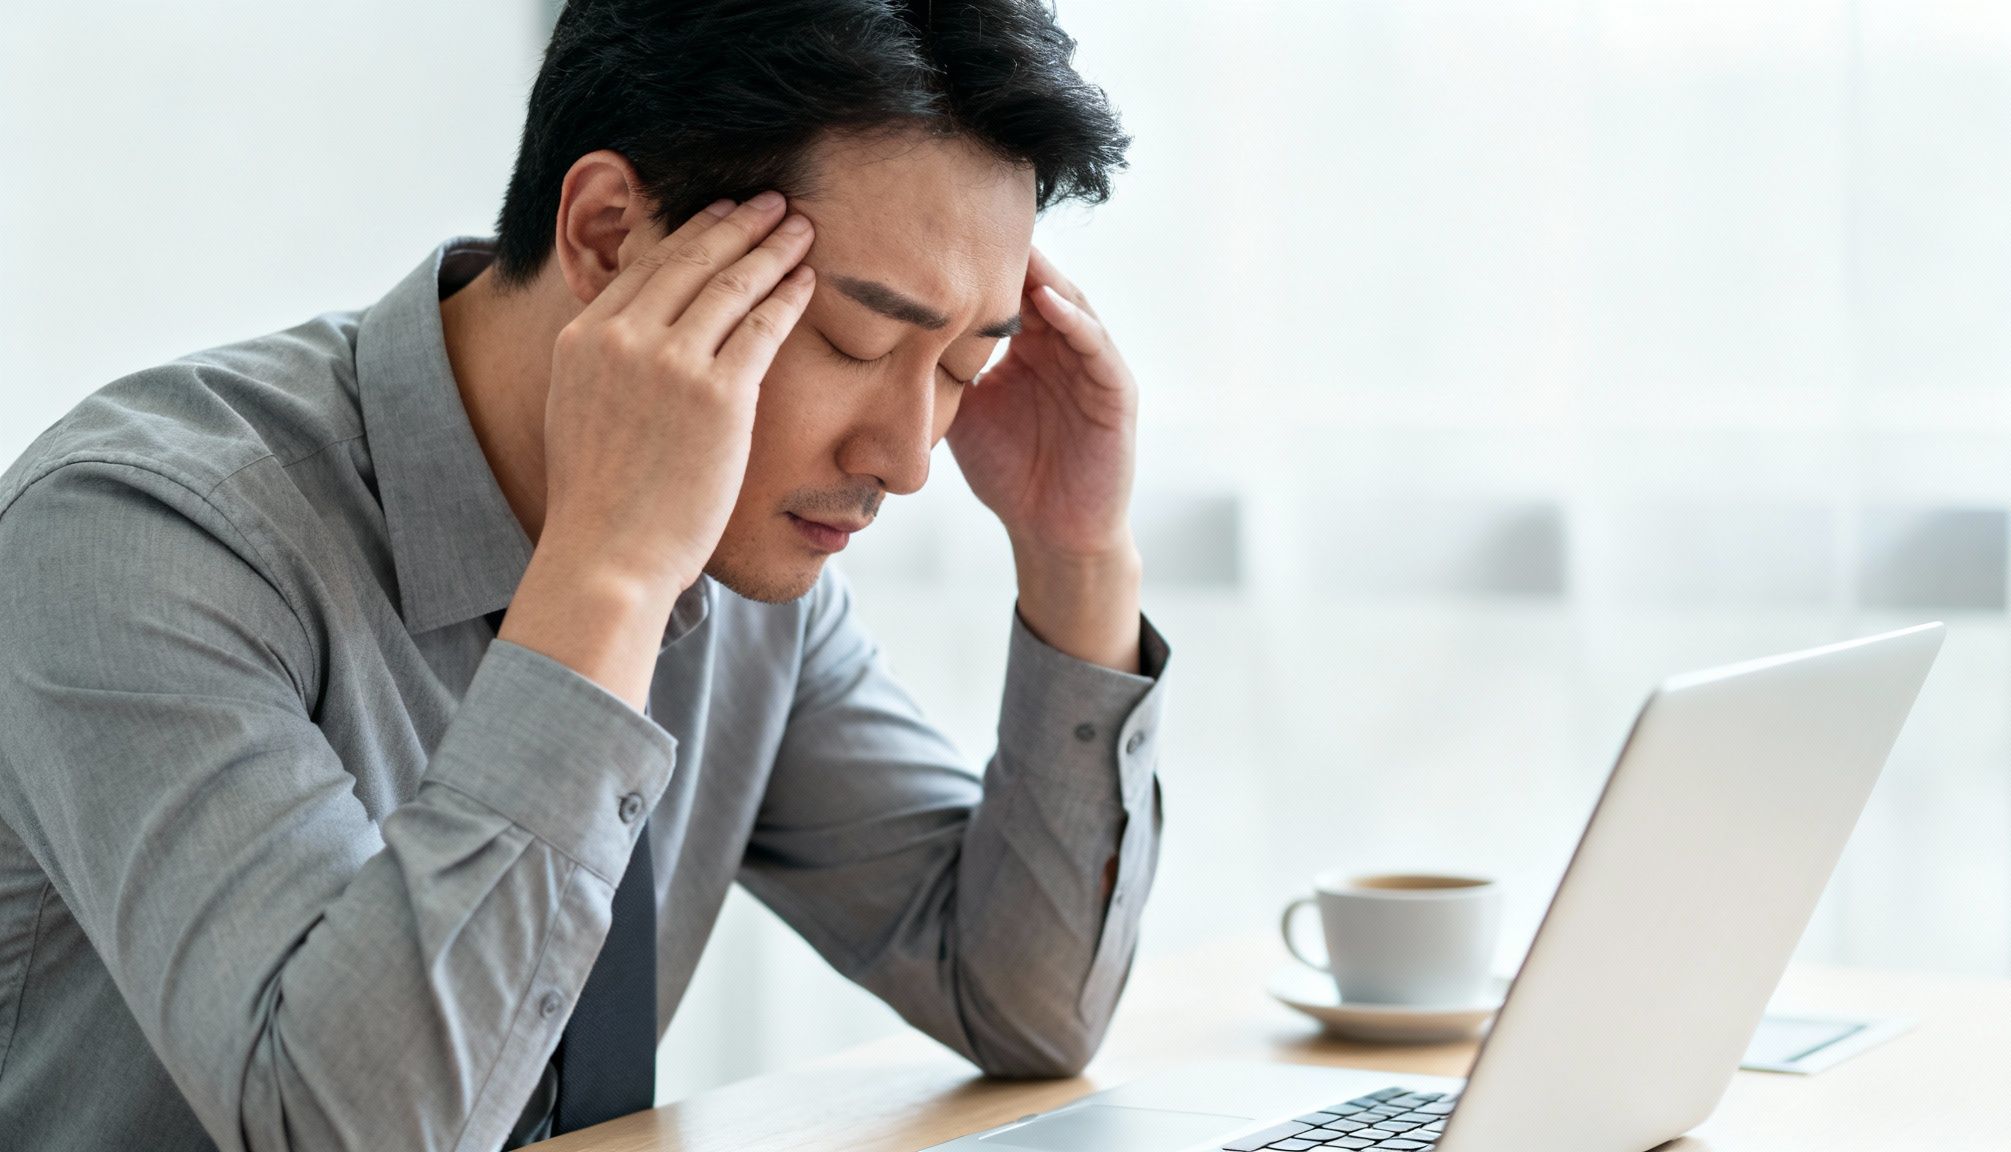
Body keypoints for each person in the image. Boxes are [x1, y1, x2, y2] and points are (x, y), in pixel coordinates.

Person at [0, 1, 1169, 1148]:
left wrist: (1075, 554)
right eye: (851, 343)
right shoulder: (138, 536)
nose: (906, 461)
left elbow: (1023, 1000)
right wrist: (608, 574)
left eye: (963, 365)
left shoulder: (741, 564)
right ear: (611, 238)